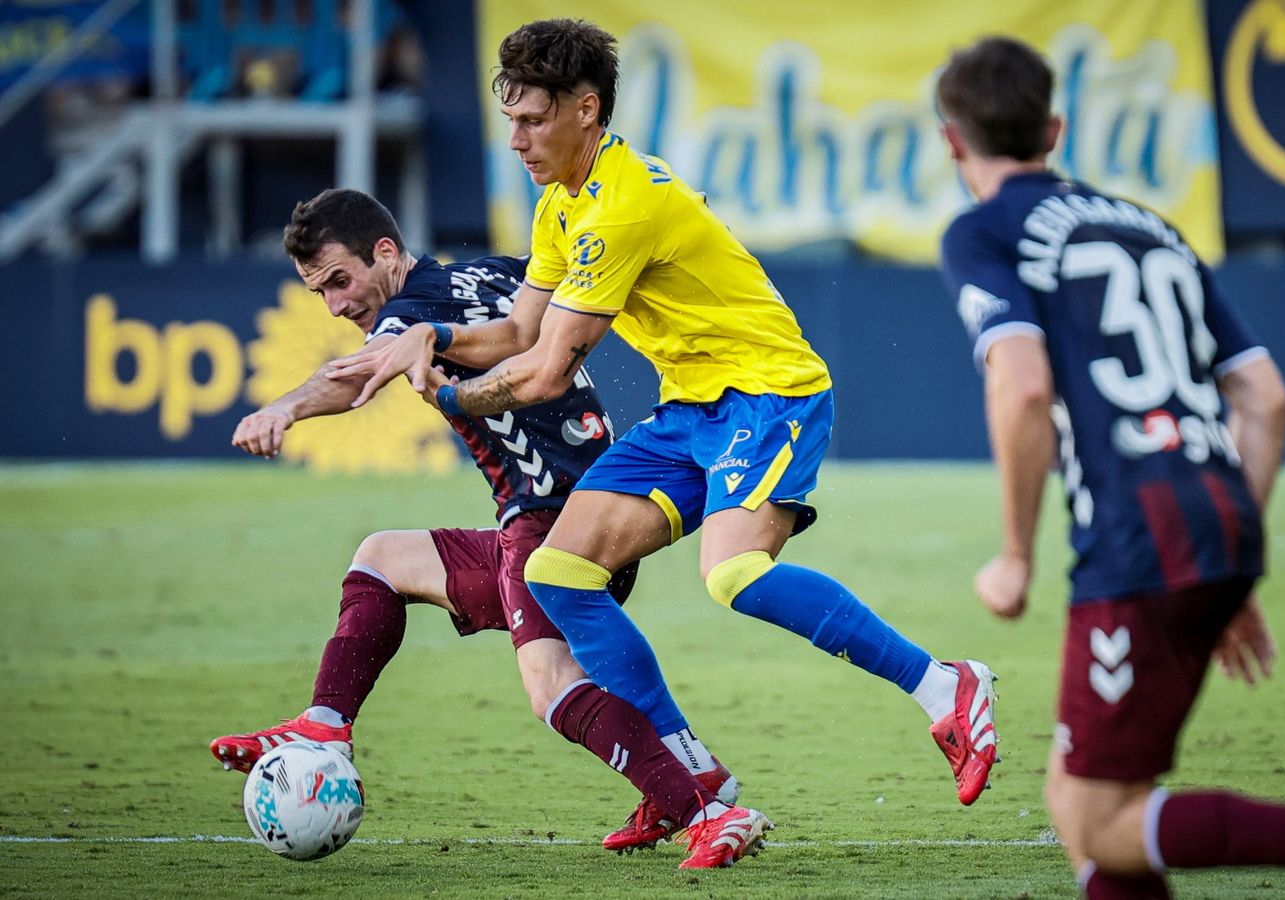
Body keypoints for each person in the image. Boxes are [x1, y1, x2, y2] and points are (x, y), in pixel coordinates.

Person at [333, 18, 1001, 867]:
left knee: (733, 574)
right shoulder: (561, 202)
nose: (516, 140)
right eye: (510, 120)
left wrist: (445, 390)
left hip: (769, 393)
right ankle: (691, 778)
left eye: (533, 120)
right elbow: (517, 332)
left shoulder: (622, 205)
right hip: (692, 407)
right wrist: (434, 339)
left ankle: (945, 685)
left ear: (586, 109)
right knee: (558, 573)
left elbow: (545, 372)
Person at [933, 36, 1285, 900]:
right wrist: (1229, 553)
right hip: (1220, 515)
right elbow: (1266, 399)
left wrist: (1015, 554)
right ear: (1054, 130)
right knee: (1080, 802)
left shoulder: (982, 232)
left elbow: (1022, 388)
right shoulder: (1149, 226)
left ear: (952, 142)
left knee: (1100, 819)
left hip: (1137, 538)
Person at [209, 188, 761, 867]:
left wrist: (284, 410)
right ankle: (325, 726)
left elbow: (353, 380)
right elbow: (588, 280)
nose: (335, 305)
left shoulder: (411, 312)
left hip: (550, 527)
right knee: (382, 558)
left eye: (340, 281)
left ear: (385, 253)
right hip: (584, 513)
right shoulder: (496, 274)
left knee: (550, 684)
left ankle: (707, 811)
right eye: (319, 291)